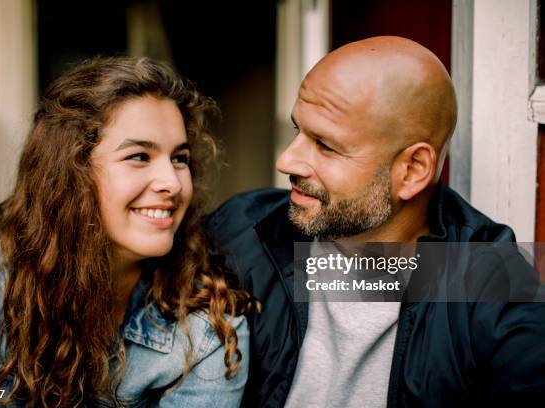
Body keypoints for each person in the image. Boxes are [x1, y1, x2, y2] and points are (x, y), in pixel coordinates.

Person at [206, 36, 545, 407]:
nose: (287, 161)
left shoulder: (495, 292)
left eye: (325, 145)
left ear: (412, 170)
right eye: (297, 131)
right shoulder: (238, 231)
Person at [0, 57, 252, 407]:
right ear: (72, 174)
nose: (172, 183)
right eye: (139, 157)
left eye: (180, 158)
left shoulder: (210, 331)